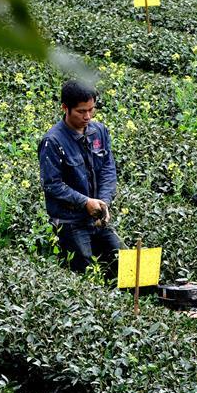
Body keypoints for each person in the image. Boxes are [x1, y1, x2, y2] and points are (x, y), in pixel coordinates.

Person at [38, 79, 125, 278]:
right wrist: (85, 202)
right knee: (83, 274)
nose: (87, 116)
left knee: (126, 266)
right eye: (81, 111)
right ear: (65, 108)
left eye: (91, 110)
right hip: (70, 222)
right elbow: (52, 184)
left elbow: (108, 170)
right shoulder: (53, 141)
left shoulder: (99, 131)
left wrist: (103, 203)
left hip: (97, 218)